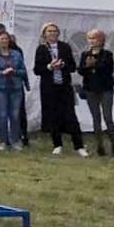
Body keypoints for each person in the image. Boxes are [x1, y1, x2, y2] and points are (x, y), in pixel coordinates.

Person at [33, 22, 86, 156]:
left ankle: (79, 145)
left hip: (64, 86)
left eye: (54, 31)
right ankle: (57, 144)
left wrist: (63, 65)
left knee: (71, 115)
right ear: (44, 34)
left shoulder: (65, 47)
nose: (52, 33)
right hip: (49, 87)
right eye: (49, 31)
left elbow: (72, 66)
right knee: (53, 115)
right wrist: (50, 67)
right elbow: (37, 69)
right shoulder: (41, 49)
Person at [78, 29, 114, 157]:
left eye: (95, 38)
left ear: (101, 40)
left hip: (105, 89)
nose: (92, 41)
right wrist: (88, 66)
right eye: (90, 38)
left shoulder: (107, 54)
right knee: (96, 118)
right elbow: (81, 70)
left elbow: (107, 69)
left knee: (108, 117)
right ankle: (99, 146)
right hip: (90, 89)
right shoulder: (85, 54)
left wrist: (94, 64)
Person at [0, 30, 27, 151]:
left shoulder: (16, 54)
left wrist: (15, 71)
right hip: (0, 87)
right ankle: (3, 141)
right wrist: (1, 73)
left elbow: (23, 71)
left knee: (15, 115)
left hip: (15, 87)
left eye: (6, 39)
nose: (4, 41)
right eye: (2, 39)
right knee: (2, 115)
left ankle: (15, 140)